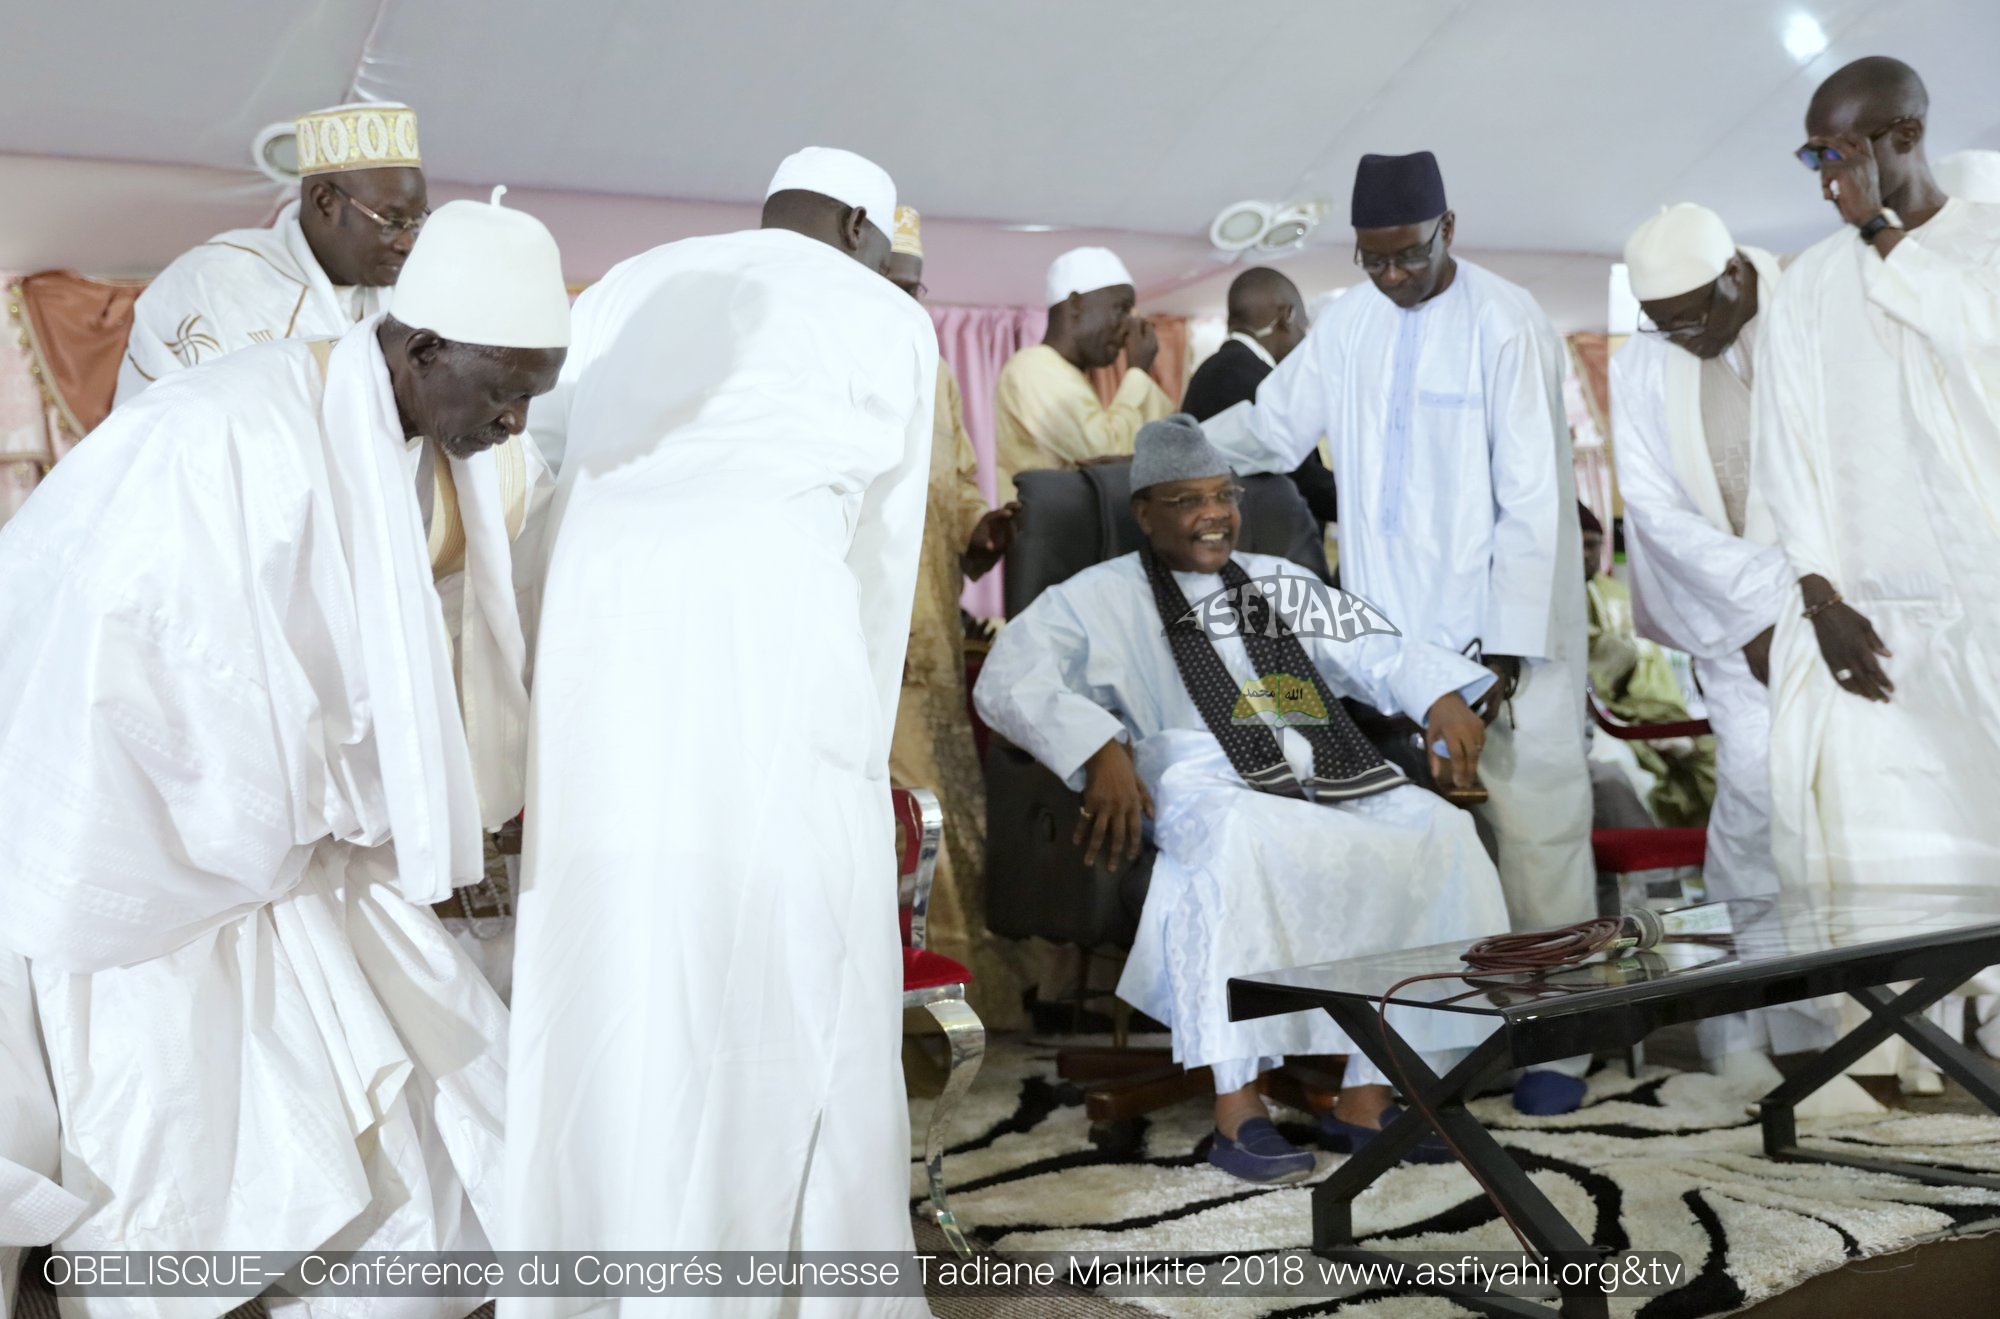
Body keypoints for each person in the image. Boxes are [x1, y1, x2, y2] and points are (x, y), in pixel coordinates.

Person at [0, 192, 570, 1318]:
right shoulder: (238, 433)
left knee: (441, 1164)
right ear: (421, 346)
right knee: (205, 1169)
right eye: (502, 395)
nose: (511, 428)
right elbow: (146, 655)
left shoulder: (402, 428)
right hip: (155, 860)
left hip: (296, 853)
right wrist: (309, 799)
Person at [505, 146, 937, 1306]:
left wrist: (544, 687)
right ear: (860, 226)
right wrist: (856, 731)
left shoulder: (631, 279)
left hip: (600, 622)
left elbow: (540, 478)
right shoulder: (882, 310)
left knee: (614, 937)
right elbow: (881, 556)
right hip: (772, 620)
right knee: (792, 943)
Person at [976, 415, 1509, 1182]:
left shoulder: (1281, 582)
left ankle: (1371, 1091)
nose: (1215, 511)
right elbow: (1007, 677)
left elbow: (1376, 651)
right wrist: (1097, 747)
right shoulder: (1094, 597)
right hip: (1192, 772)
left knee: (1437, 829)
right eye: (1188, 498)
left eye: (1224, 494)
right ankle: (1238, 1106)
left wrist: (1439, 697)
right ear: (1145, 512)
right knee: (1245, 839)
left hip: (1315, 767)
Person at [1246, 151, 1595, 1114]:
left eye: (1407, 255)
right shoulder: (1350, 323)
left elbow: (1533, 503)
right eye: (1373, 260)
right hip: (1394, 644)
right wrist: (1167, 452)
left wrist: (1504, 658)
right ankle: (1442, 1040)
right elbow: (1273, 430)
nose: (1392, 277)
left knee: (1537, 837)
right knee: (1420, 847)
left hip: (1503, 640)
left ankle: (1557, 1040)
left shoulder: (1508, 320)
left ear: (1450, 228)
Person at [1749, 55, 2000, 1096]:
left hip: (1982, 613)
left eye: (1837, 152)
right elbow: (1786, 447)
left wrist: (1890, 245)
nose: (1823, 180)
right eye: (1809, 155)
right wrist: (1819, 598)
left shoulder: (1981, 249)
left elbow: (1975, 353)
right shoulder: (1807, 283)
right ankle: (1896, 1056)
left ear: (1904, 133)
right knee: (1881, 849)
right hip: (1863, 620)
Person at [1610, 205, 1846, 1090]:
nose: (1681, 338)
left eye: (1694, 317)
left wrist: (1813, 604)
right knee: (1753, 815)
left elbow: (1850, 475)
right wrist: (1760, 619)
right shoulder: (1644, 368)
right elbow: (1658, 514)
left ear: (1737, 279)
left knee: (1842, 816)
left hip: (1845, 616)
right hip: (1735, 630)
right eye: (1661, 322)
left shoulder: (1812, 318)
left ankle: (1855, 1029)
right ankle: (1746, 1031)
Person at [883, 205, 1027, 1028]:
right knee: (891, 826)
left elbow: (959, 478)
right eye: (889, 286)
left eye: (914, 289)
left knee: (953, 814)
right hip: (863, 651)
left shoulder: (931, 367)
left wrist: (981, 526)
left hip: (937, 631)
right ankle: (895, 1010)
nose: (903, 303)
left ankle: (967, 1003)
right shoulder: (825, 364)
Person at [117, 102, 429, 403]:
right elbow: (167, 431)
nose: (407, 243)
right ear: (324, 202)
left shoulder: (414, 294)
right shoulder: (208, 283)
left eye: (416, 222)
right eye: (391, 221)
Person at [992, 245, 1172, 502]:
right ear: (1075, 304)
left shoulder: (1070, 375)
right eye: (1121, 309)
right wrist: (1137, 372)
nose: (1128, 327)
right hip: (1045, 536)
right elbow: (1105, 455)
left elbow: (1159, 447)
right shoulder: (1032, 367)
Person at [1180, 266, 1337, 525]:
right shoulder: (1250, 375)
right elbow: (1298, 477)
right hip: (1261, 544)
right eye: (1303, 326)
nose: (1302, 338)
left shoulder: (1213, 368)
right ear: (1287, 316)